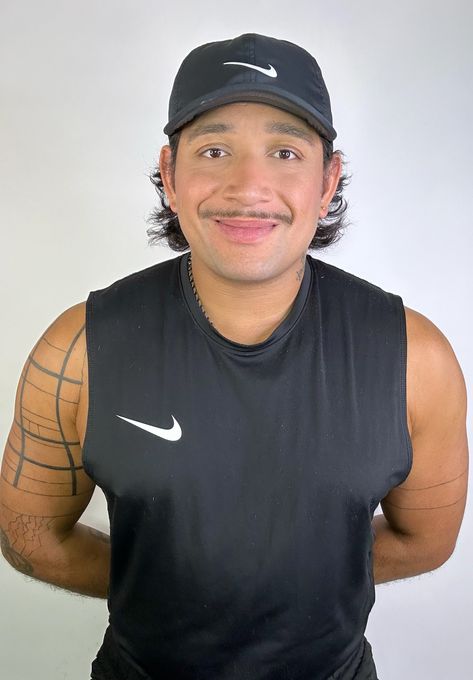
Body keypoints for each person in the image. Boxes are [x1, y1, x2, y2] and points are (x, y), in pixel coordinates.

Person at [0, 32, 468, 680]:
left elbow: (426, 541)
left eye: (285, 152)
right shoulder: (78, 350)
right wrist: (168, 585)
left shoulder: (416, 359)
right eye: (214, 150)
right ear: (170, 174)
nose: (248, 186)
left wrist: (282, 588)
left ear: (327, 180)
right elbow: (31, 539)